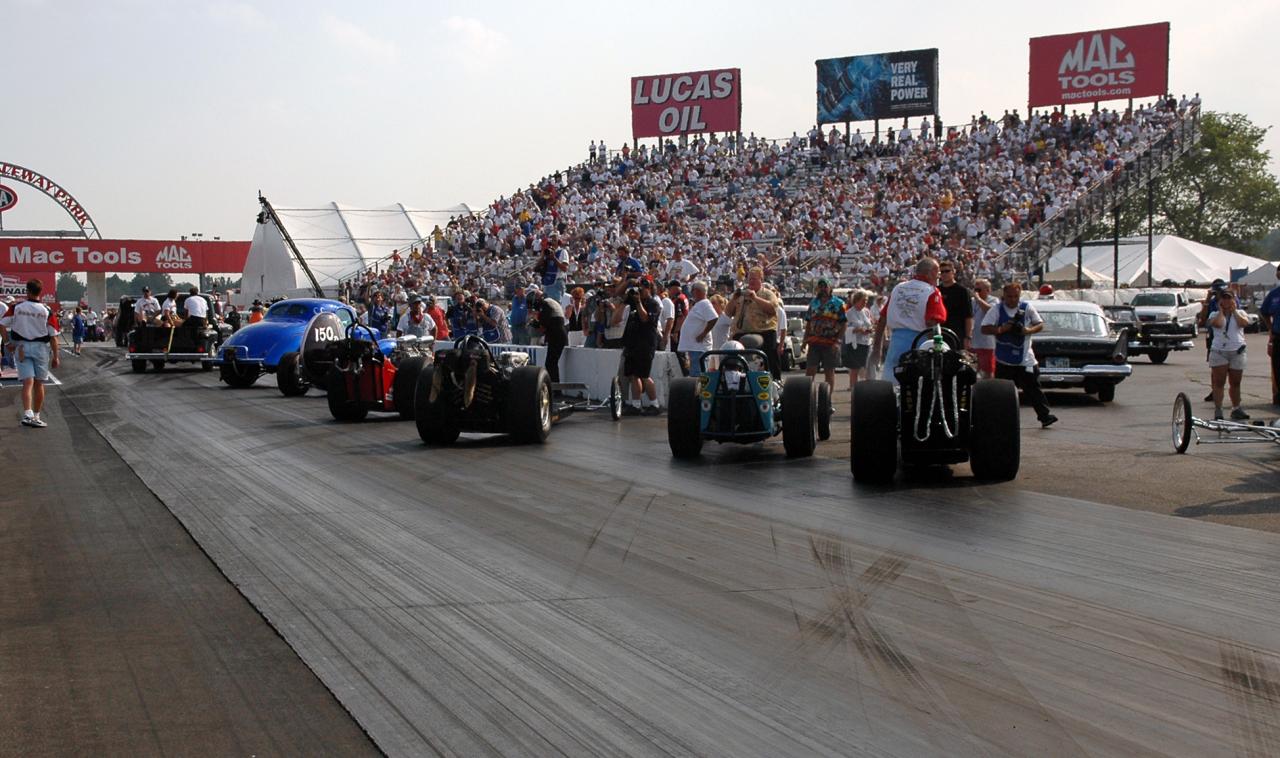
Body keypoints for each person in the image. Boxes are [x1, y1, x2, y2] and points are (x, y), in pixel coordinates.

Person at [981, 282, 1058, 428]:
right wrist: (1001, 329)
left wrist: (1028, 331)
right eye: (1009, 296)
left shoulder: (1026, 308)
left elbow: (1040, 324)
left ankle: (1045, 416)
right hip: (1004, 360)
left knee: (1034, 390)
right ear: (1004, 295)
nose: (1012, 300)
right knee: (1002, 394)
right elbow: (984, 328)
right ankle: (1000, 421)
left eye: (1015, 296)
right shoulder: (996, 309)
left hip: (1025, 359)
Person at [873, 258, 947, 385]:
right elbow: (932, 322)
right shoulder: (931, 291)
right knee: (920, 386)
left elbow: (882, 319)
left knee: (891, 385)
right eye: (938, 272)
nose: (939, 276)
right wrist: (937, 348)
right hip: (920, 344)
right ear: (930, 273)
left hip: (895, 344)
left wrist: (877, 347)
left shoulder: (898, 288)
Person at [0, 279, 60, 428]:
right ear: (40, 292)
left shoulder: (16, 307)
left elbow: (2, 324)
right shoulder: (46, 310)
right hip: (41, 348)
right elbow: (53, 336)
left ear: (27, 291)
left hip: (21, 347)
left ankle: (28, 414)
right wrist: (56, 357)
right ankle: (37, 416)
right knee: (39, 383)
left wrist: (7, 343)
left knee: (28, 382)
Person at [612, 277, 660, 415]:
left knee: (644, 375)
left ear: (649, 289)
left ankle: (654, 404)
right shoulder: (632, 303)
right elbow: (615, 320)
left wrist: (638, 302)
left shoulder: (653, 304)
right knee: (633, 376)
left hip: (646, 343)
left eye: (643, 288)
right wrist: (625, 302)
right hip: (632, 343)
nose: (640, 291)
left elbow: (645, 319)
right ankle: (636, 404)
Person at [725, 266, 784, 379]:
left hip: (764, 331)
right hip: (741, 331)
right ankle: (732, 378)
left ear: (761, 280)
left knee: (771, 354)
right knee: (731, 353)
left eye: (754, 279)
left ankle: (776, 379)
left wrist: (755, 298)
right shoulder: (741, 295)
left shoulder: (768, 294)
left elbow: (772, 309)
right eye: (750, 279)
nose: (751, 281)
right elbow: (728, 313)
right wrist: (734, 299)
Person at [1207, 290, 1250, 421]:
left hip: (1237, 351)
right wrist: (1221, 311)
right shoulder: (1214, 314)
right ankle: (1218, 409)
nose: (1226, 301)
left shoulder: (1240, 313)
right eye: (1224, 299)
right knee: (1219, 382)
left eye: (1229, 298)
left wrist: (1234, 311)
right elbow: (1218, 324)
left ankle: (1236, 408)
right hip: (1220, 351)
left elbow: (1243, 323)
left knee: (1235, 382)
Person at [803, 278, 846, 394]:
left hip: (831, 342)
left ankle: (827, 398)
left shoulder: (839, 303)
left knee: (829, 371)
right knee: (810, 370)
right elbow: (808, 322)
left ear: (830, 288)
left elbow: (844, 323)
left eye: (825, 286)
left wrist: (838, 341)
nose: (823, 289)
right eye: (820, 286)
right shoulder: (813, 303)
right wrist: (804, 340)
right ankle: (807, 397)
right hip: (814, 341)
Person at [677, 281, 718, 376]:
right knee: (695, 374)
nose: (692, 293)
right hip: (695, 347)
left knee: (698, 375)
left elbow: (714, 318)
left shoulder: (704, 303)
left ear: (697, 291)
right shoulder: (700, 304)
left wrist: (703, 334)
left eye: (693, 290)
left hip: (699, 348)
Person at [530, 290, 568, 383]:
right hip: (557, 335)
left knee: (551, 363)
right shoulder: (550, 302)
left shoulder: (546, 303)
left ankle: (555, 386)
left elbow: (544, 322)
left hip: (556, 336)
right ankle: (555, 386)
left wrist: (536, 323)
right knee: (551, 363)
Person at [937, 261, 973, 350]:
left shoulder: (962, 291)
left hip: (957, 334)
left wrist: (968, 337)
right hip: (940, 333)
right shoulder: (936, 290)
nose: (944, 274)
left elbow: (968, 316)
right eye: (942, 272)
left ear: (953, 272)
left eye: (947, 271)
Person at [842, 290, 873, 390]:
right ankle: (853, 388)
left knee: (866, 367)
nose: (865, 302)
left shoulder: (866, 311)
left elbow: (870, 324)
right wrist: (858, 330)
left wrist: (870, 329)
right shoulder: (849, 313)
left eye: (866, 300)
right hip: (855, 343)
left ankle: (865, 389)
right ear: (856, 300)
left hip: (866, 342)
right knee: (854, 368)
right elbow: (845, 329)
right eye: (863, 300)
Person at [1258, 267, 1280, 405]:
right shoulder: (1274, 294)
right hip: (1278, 336)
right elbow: (1264, 312)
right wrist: (1271, 329)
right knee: (1277, 369)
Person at [970, 278, 998, 378]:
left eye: (979, 290)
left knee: (988, 371)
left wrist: (979, 299)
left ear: (988, 290)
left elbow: (991, 312)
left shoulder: (994, 300)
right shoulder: (972, 301)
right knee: (972, 370)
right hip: (974, 341)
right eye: (975, 289)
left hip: (987, 343)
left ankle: (989, 387)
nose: (976, 292)